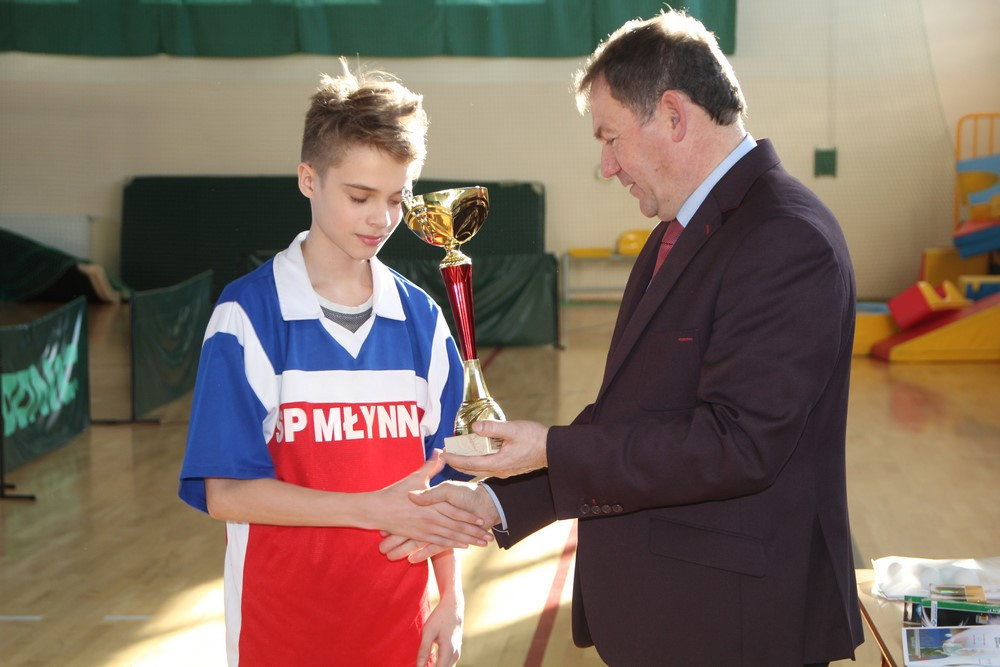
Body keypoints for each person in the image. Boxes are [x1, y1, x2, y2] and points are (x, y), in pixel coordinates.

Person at [383, 10, 864, 667]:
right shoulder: (682, 230)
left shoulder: (785, 238)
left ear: (673, 114)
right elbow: (637, 418)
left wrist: (550, 447)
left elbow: (738, 444)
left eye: (610, 139)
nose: (606, 166)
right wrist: (495, 500)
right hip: (681, 618)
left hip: (736, 629)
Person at [178, 60, 493, 667]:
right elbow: (225, 492)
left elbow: (442, 480)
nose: (381, 219)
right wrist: (364, 508)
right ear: (308, 179)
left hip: (402, 626)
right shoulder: (247, 316)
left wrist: (451, 599)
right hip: (279, 631)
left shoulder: (423, 320)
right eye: (359, 196)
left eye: (397, 199)